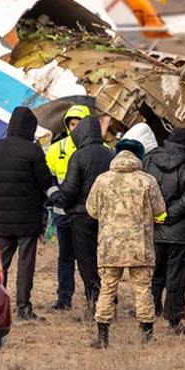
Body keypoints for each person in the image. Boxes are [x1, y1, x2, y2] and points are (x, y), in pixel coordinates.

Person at [86, 144, 166, 347]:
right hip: (140, 245)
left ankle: (102, 336)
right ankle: (146, 336)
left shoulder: (102, 180)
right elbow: (159, 209)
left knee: (107, 288)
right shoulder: (147, 180)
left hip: (110, 245)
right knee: (143, 289)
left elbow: (92, 210)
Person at [0, 106, 59, 321]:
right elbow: (44, 181)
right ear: (30, 127)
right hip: (28, 218)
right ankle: (23, 307)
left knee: (1, 264)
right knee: (26, 264)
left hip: (4, 218)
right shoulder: (33, 150)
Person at [142, 126, 185, 333]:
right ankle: (174, 320)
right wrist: (169, 215)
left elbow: (142, 189)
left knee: (154, 274)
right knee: (177, 277)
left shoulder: (149, 160)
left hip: (154, 228)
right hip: (182, 232)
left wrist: (157, 214)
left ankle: (149, 313)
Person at [59, 115, 114, 316]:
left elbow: (70, 189)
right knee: (106, 261)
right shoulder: (110, 154)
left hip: (82, 216)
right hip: (107, 217)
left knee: (86, 261)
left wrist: (61, 201)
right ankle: (110, 300)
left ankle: (94, 303)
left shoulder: (78, 156)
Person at [45, 104, 91, 311]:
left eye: (79, 124)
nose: (75, 128)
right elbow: (49, 178)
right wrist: (56, 198)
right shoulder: (55, 149)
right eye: (72, 124)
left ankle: (94, 297)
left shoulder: (99, 149)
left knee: (89, 258)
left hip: (87, 214)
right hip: (63, 212)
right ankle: (64, 298)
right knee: (65, 257)